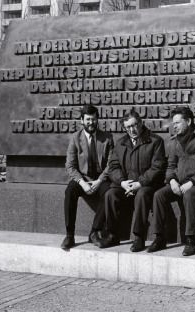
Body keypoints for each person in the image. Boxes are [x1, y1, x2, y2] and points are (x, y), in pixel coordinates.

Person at [147, 106, 195, 256]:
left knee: (189, 195)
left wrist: (192, 181)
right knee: (159, 195)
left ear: (188, 121)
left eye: (178, 123)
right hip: (179, 183)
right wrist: (171, 180)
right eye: (174, 123)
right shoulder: (173, 142)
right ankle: (159, 237)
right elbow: (171, 166)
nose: (174, 126)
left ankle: (191, 240)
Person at [100, 109, 166, 252]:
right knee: (110, 195)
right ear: (124, 128)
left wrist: (139, 183)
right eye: (128, 127)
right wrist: (123, 182)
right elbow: (113, 166)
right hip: (125, 184)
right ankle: (112, 235)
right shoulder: (121, 143)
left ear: (141, 123)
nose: (132, 129)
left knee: (142, 195)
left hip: (146, 184)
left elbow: (157, 167)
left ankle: (139, 237)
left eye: (134, 125)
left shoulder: (155, 141)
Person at [61, 105, 114, 249]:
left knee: (109, 193)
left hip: (100, 178)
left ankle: (94, 232)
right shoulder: (75, 138)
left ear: (98, 120)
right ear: (82, 121)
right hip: (82, 178)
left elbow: (111, 164)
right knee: (70, 191)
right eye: (88, 120)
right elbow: (70, 166)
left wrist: (100, 180)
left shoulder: (107, 138)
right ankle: (69, 235)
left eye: (94, 119)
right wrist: (82, 183)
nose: (91, 123)